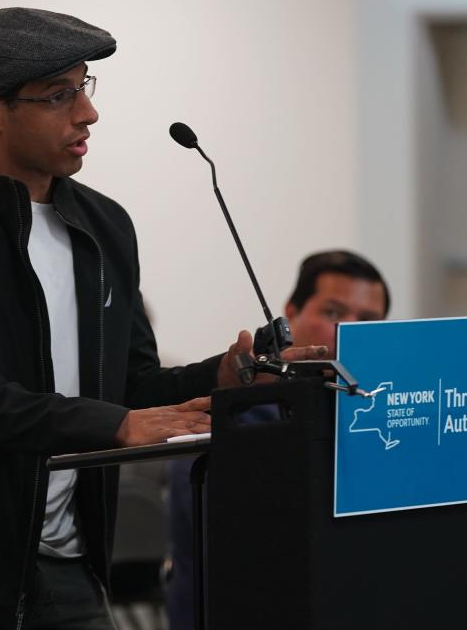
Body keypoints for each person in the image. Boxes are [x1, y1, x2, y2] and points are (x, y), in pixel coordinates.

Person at [0, 7, 324, 630]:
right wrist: (117, 422)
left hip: (70, 559)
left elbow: (130, 386)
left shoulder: (104, 226)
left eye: (84, 87)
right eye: (58, 95)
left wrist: (227, 376)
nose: (87, 113)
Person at [165, 249, 390, 630]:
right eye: (333, 313)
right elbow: (229, 544)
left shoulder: (380, 414)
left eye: (367, 320)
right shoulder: (234, 411)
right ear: (292, 310)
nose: (347, 331)